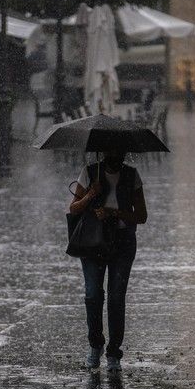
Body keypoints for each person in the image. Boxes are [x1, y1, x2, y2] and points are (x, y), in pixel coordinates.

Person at [69, 149, 147, 372]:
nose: (115, 159)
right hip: (92, 242)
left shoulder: (132, 176)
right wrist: (91, 194)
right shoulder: (90, 172)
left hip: (122, 244)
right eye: (111, 153)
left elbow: (141, 215)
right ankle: (95, 345)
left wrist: (115, 213)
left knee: (116, 298)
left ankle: (114, 351)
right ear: (103, 153)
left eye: (119, 154)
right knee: (93, 295)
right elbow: (73, 208)